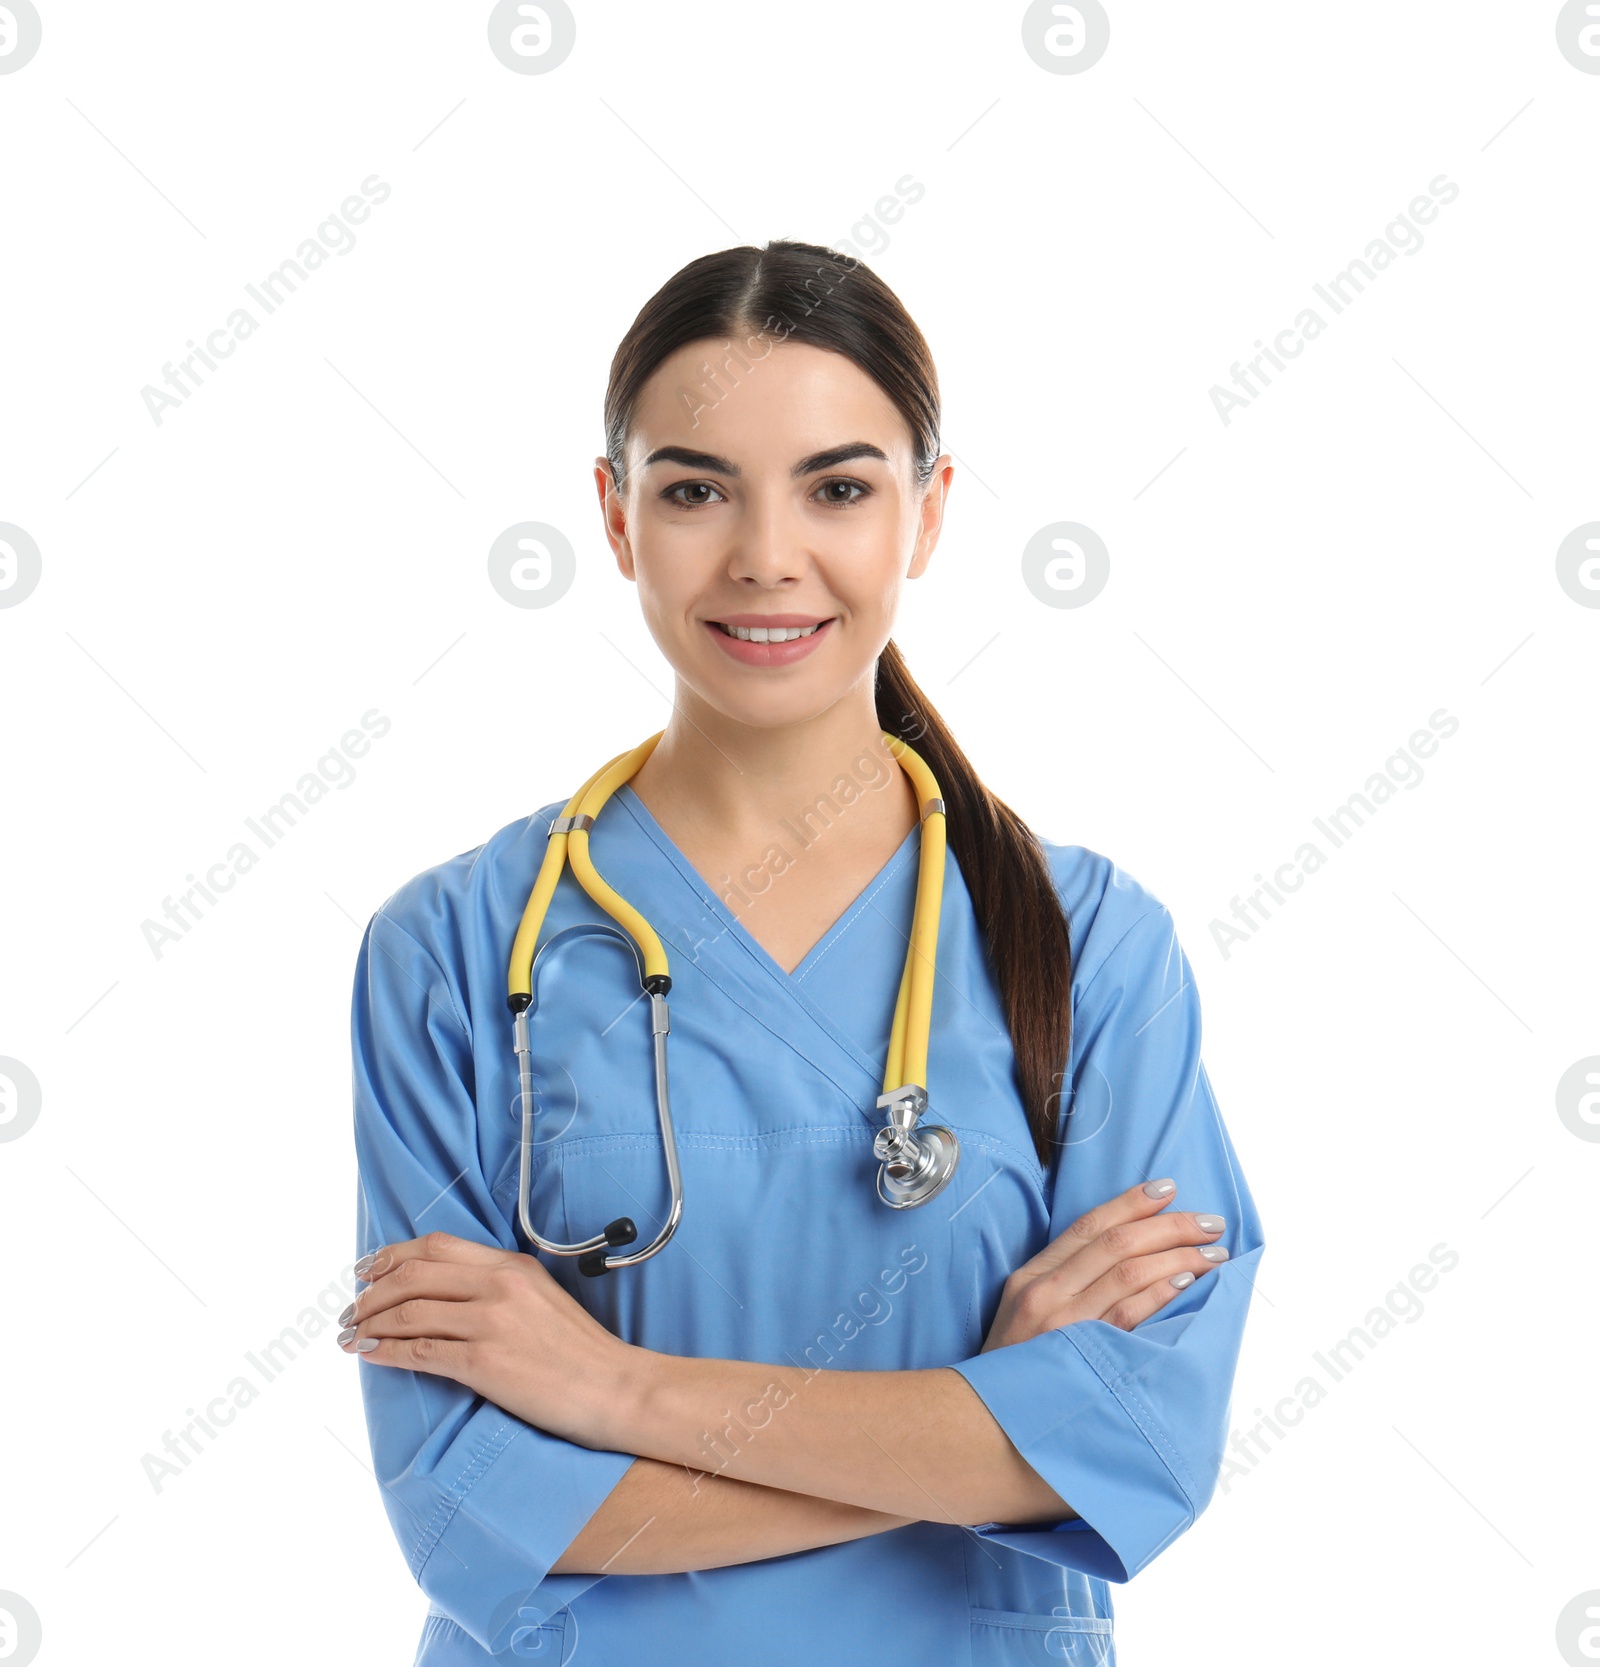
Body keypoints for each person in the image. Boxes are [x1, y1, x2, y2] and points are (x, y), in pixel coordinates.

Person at [343, 239, 1265, 1665]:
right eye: (696, 488)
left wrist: (610, 1390)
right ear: (614, 513)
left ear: (929, 511)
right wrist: (979, 1422)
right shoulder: (454, 952)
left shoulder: (1089, 951)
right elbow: (469, 1516)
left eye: (838, 487)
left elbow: (1139, 1452)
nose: (767, 555)